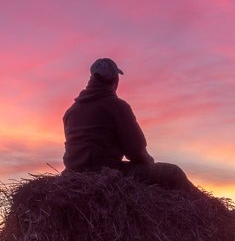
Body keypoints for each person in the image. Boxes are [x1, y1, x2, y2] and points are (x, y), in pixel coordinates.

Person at [62, 58, 196, 192]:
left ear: (92, 78)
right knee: (173, 173)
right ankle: (213, 209)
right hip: (105, 172)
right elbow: (136, 151)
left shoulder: (71, 111)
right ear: (115, 80)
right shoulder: (117, 106)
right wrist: (149, 163)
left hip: (74, 173)